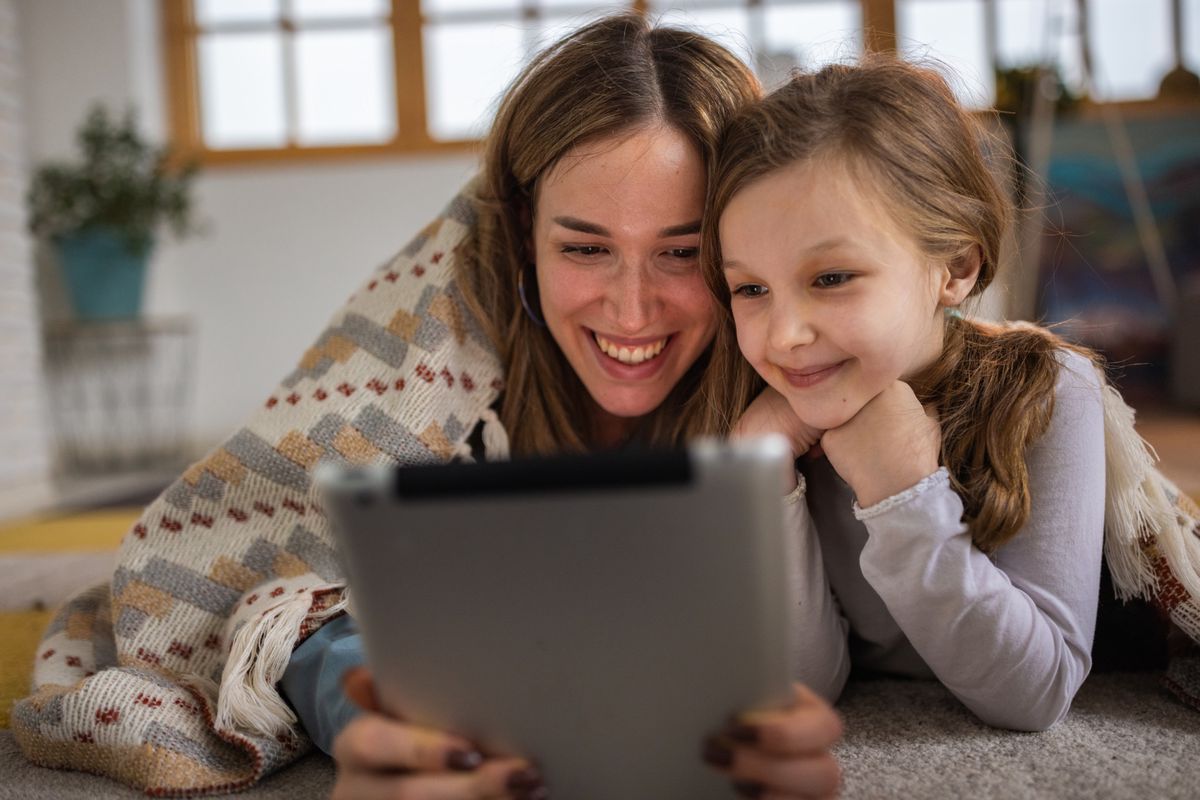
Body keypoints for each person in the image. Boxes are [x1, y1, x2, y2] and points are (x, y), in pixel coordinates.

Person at [281, 14, 846, 800]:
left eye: (682, 253)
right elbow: (286, 589)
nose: (633, 310)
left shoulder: (790, 349)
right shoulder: (435, 350)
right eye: (585, 248)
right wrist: (377, 717)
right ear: (523, 231)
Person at [703, 57, 1112, 732]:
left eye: (831, 277)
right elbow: (805, 685)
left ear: (955, 268)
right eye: (750, 289)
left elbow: (1035, 694)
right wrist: (763, 478)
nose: (785, 335)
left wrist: (903, 495)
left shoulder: (1050, 391)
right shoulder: (767, 413)